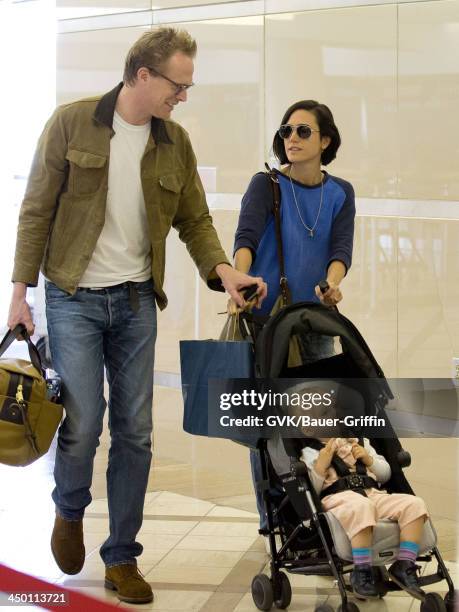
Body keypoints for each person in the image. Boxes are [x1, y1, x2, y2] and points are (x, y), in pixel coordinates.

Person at [7, 27, 266, 605]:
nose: (184, 95)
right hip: (72, 296)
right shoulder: (72, 123)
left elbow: (194, 220)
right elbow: (36, 210)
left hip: (134, 301)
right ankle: (69, 510)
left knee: (137, 431)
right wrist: (20, 293)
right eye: (179, 83)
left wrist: (224, 272)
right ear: (143, 75)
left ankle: (122, 556)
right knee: (80, 423)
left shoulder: (174, 142)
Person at [231, 100, 355, 535]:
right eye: (286, 131)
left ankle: (325, 516)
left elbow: (341, 249)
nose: (292, 139)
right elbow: (245, 237)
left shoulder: (340, 192)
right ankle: (276, 522)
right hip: (268, 321)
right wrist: (240, 280)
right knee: (269, 425)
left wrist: (333, 282)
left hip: (316, 320)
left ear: (325, 140)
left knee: (318, 421)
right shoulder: (266, 184)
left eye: (304, 131)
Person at [301, 437, 428, 599]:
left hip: (372, 494)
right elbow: (310, 491)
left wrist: (369, 460)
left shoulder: (361, 443)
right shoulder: (310, 452)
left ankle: (404, 564)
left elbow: (385, 475)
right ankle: (362, 570)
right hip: (338, 499)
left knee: (415, 504)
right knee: (362, 506)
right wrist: (320, 466)